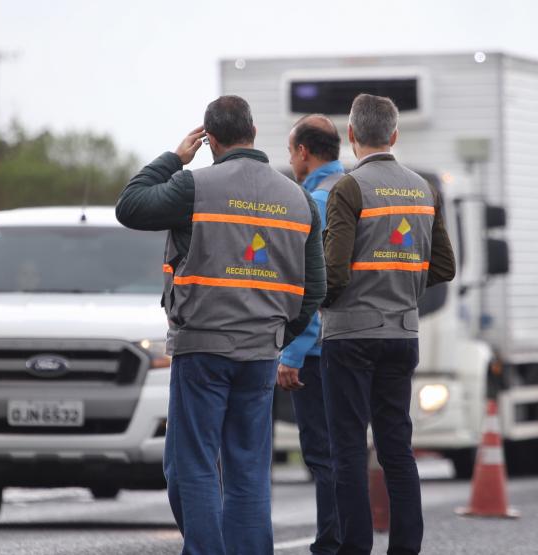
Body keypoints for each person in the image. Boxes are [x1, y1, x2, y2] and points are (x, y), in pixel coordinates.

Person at [115, 95, 326, 554]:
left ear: (209, 140)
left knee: (191, 466)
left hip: (202, 349)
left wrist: (174, 158)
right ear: (252, 132)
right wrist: (278, 336)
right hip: (260, 353)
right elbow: (315, 288)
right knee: (248, 470)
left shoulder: (195, 187)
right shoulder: (299, 198)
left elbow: (130, 206)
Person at [320, 94, 456, 555]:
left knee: (349, 450)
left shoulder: (348, 188)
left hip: (350, 337)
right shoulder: (424, 189)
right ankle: (406, 549)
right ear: (394, 135)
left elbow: (334, 273)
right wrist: (404, 283)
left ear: (351, 135)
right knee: (397, 448)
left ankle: (355, 547)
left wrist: (317, 304)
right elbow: (445, 267)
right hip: (402, 334)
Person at [277, 114, 344, 555]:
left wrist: (294, 352)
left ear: (303, 152)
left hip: (320, 350)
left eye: (290, 150)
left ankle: (331, 543)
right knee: (349, 448)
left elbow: (313, 287)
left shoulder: (315, 201)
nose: (290, 159)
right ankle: (347, 539)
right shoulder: (354, 191)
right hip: (359, 339)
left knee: (322, 453)